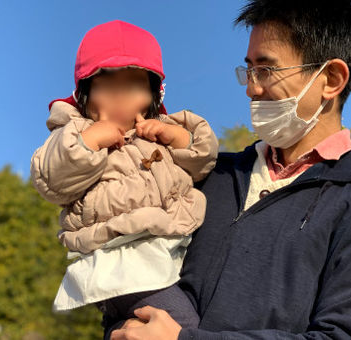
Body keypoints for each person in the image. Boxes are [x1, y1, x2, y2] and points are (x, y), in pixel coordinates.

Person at [109, 1, 351, 339]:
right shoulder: (209, 176)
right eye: (249, 70)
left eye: (267, 70)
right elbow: (132, 283)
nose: (251, 88)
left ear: (331, 79)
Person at [30, 20, 218, 331]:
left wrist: (178, 138)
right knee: (180, 326)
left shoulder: (162, 129)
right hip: (121, 261)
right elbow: (51, 179)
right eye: (107, 85)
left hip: (172, 252)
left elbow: (204, 161)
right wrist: (89, 143)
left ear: (153, 94)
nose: (121, 97)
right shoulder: (75, 130)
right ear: (85, 94)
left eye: (133, 85)